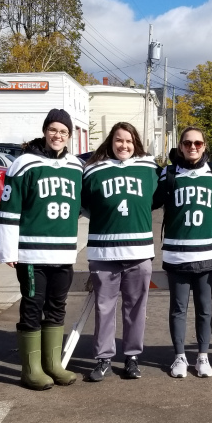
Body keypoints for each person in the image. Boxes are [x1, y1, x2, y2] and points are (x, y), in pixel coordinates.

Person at [0, 108, 82, 390]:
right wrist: (8, 250)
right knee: (33, 306)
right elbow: (10, 209)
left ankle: (53, 364)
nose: (58, 136)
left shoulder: (75, 166)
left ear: (69, 136)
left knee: (57, 307)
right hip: (32, 253)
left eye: (63, 132)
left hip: (64, 252)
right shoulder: (23, 164)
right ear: (45, 131)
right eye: (54, 130)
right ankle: (31, 369)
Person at [82, 122, 159, 382]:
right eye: (118, 140)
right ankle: (104, 358)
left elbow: (156, 199)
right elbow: (84, 204)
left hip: (139, 251)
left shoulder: (148, 168)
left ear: (135, 142)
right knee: (104, 307)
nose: (123, 145)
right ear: (110, 142)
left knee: (136, 307)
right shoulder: (93, 170)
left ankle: (132, 357)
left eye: (128, 141)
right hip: (104, 251)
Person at [152, 127, 212, 378]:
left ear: (205, 146)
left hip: (207, 253)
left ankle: (203, 356)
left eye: (198, 143)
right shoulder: (169, 173)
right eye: (188, 143)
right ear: (180, 146)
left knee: (205, 308)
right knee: (178, 308)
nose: (193, 147)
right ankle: (179, 356)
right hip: (177, 253)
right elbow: (148, 201)